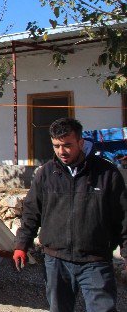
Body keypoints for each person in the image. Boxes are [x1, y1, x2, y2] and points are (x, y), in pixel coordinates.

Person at [14, 117, 127, 312]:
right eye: (56, 146)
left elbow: (124, 217)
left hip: (96, 262)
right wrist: (21, 244)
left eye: (67, 145)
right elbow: (32, 212)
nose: (61, 151)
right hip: (56, 262)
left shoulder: (107, 174)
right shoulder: (45, 174)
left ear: (81, 143)